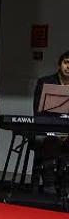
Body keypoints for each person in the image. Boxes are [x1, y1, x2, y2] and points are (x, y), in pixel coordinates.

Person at [31, 49, 69, 196]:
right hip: (48, 127)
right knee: (51, 139)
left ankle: (65, 184)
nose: (68, 67)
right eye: (66, 63)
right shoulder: (46, 82)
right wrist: (55, 129)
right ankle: (49, 182)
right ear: (59, 65)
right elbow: (38, 111)